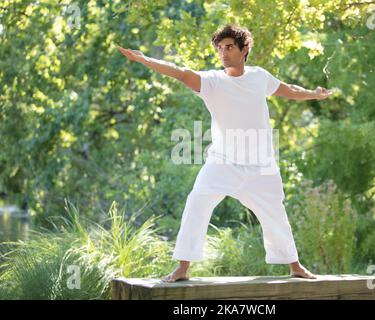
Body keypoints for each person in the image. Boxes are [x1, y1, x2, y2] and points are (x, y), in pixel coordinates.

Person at [117, 24, 333, 283]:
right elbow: (181, 73)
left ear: (244, 50)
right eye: (220, 48)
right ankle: (183, 268)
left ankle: (295, 266)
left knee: (276, 213)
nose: (223, 52)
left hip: (261, 166)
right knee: (197, 201)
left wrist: (314, 95)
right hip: (223, 163)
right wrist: (144, 59)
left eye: (229, 47)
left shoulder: (259, 77)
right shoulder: (212, 82)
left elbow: (288, 90)